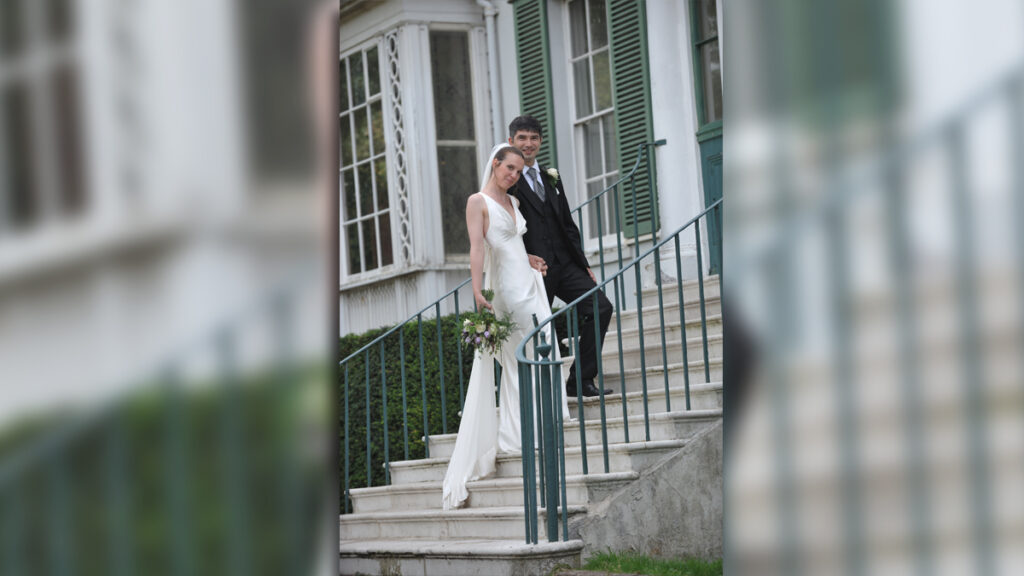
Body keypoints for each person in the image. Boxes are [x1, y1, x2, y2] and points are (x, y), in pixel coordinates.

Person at [441, 144, 570, 511]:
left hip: (528, 280)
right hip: (509, 292)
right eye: (509, 168)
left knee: (537, 349)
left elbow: (510, 242)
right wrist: (477, 289)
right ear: (495, 165)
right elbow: (479, 248)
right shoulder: (477, 201)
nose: (513, 175)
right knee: (528, 351)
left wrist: (529, 257)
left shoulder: (513, 204)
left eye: (518, 171)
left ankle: (531, 427)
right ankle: (521, 433)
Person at [507, 115, 614, 398]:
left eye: (533, 138)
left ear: (540, 141)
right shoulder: (507, 179)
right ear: (511, 142)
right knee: (533, 327)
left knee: (601, 308)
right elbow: (503, 228)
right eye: (522, 138)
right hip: (533, 268)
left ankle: (580, 379)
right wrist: (524, 256)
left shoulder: (551, 175)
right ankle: (533, 392)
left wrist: (584, 265)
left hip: (566, 265)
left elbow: (567, 223)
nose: (528, 144)